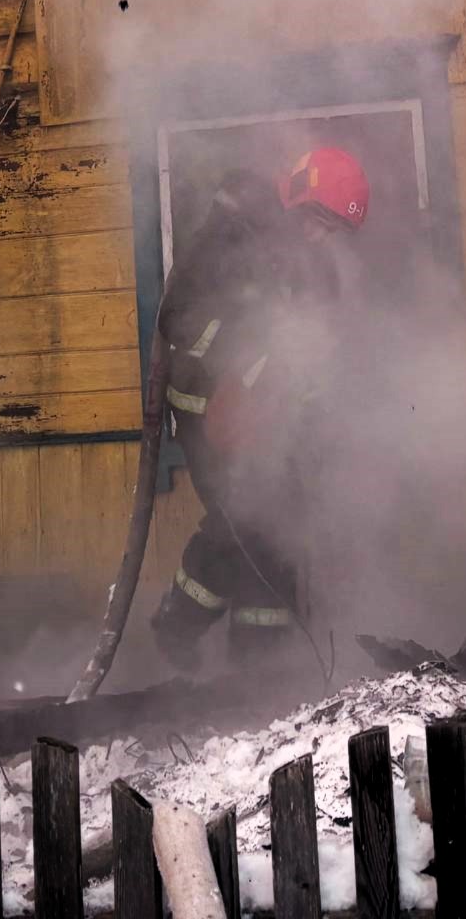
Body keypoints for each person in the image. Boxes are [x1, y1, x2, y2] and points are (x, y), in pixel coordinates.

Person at [148, 146, 371, 669]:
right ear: (297, 199)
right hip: (212, 415)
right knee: (243, 520)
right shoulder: (231, 234)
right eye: (320, 223)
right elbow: (177, 316)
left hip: (269, 421)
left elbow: (308, 351)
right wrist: (240, 352)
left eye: (333, 232)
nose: (322, 239)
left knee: (278, 534)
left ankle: (257, 673)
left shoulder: (302, 256)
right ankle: (176, 627)